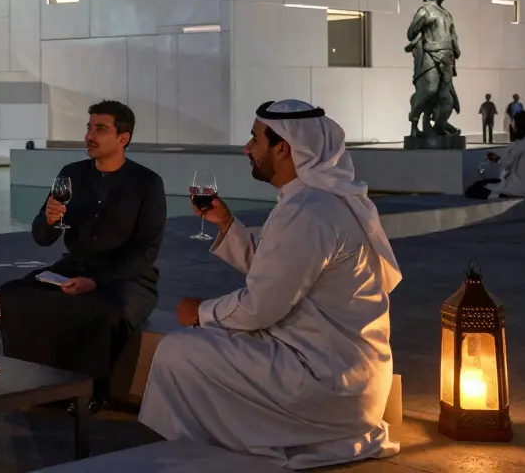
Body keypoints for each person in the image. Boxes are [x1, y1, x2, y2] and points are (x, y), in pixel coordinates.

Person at [139, 100, 402, 469]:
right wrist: (228, 225)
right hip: (347, 373)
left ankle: (201, 448)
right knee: (206, 342)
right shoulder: (320, 201)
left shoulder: (308, 211)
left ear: (283, 147)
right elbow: (281, 273)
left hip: (328, 381)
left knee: (179, 351)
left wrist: (199, 312)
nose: (247, 148)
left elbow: (261, 307)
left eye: (254, 138)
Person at [0, 100, 165, 415]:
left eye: (100, 129)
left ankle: (89, 390)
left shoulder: (147, 183)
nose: (90, 135)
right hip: (74, 268)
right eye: (89, 128)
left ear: (123, 138)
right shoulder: (71, 174)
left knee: (104, 309)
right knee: (12, 294)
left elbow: (146, 251)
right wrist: (48, 219)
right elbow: (42, 237)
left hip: (127, 278)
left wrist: (96, 281)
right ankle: (34, 381)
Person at [465, 110, 525, 200]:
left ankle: (496, 196)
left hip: (523, 190)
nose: (512, 129)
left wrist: (495, 158)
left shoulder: (524, 143)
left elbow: (506, 162)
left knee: (475, 189)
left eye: (514, 126)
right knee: (492, 182)